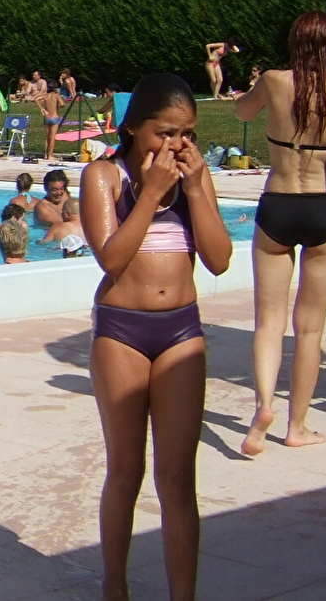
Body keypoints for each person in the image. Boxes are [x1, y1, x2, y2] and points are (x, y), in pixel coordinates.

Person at [79, 71, 231, 601]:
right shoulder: (105, 175)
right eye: (164, 132)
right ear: (135, 128)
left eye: (186, 133)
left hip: (181, 329)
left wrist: (193, 189)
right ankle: (115, 587)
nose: (177, 144)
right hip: (122, 331)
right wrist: (153, 193)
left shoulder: (194, 176)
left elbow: (218, 260)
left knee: (177, 478)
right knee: (126, 468)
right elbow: (111, 258)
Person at [235, 12, 326, 456]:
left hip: (277, 203)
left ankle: (262, 411)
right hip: (321, 207)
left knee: (268, 324)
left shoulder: (275, 81)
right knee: (309, 331)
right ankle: (297, 427)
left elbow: (240, 110)